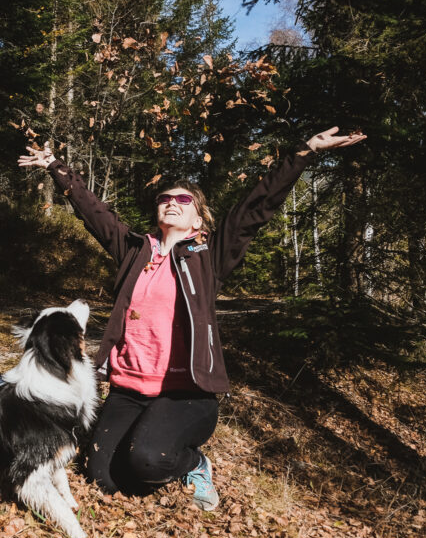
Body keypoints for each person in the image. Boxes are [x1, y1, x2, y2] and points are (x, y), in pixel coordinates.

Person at [18, 127, 366, 510]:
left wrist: (305, 151)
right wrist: (54, 165)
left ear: (198, 220)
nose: (171, 202)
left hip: (186, 393)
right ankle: (147, 437)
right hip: (129, 390)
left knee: (148, 462)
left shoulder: (208, 257)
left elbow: (255, 208)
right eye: (164, 198)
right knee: (104, 477)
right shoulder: (135, 250)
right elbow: (93, 211)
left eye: (182, 199)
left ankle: (194, 463)